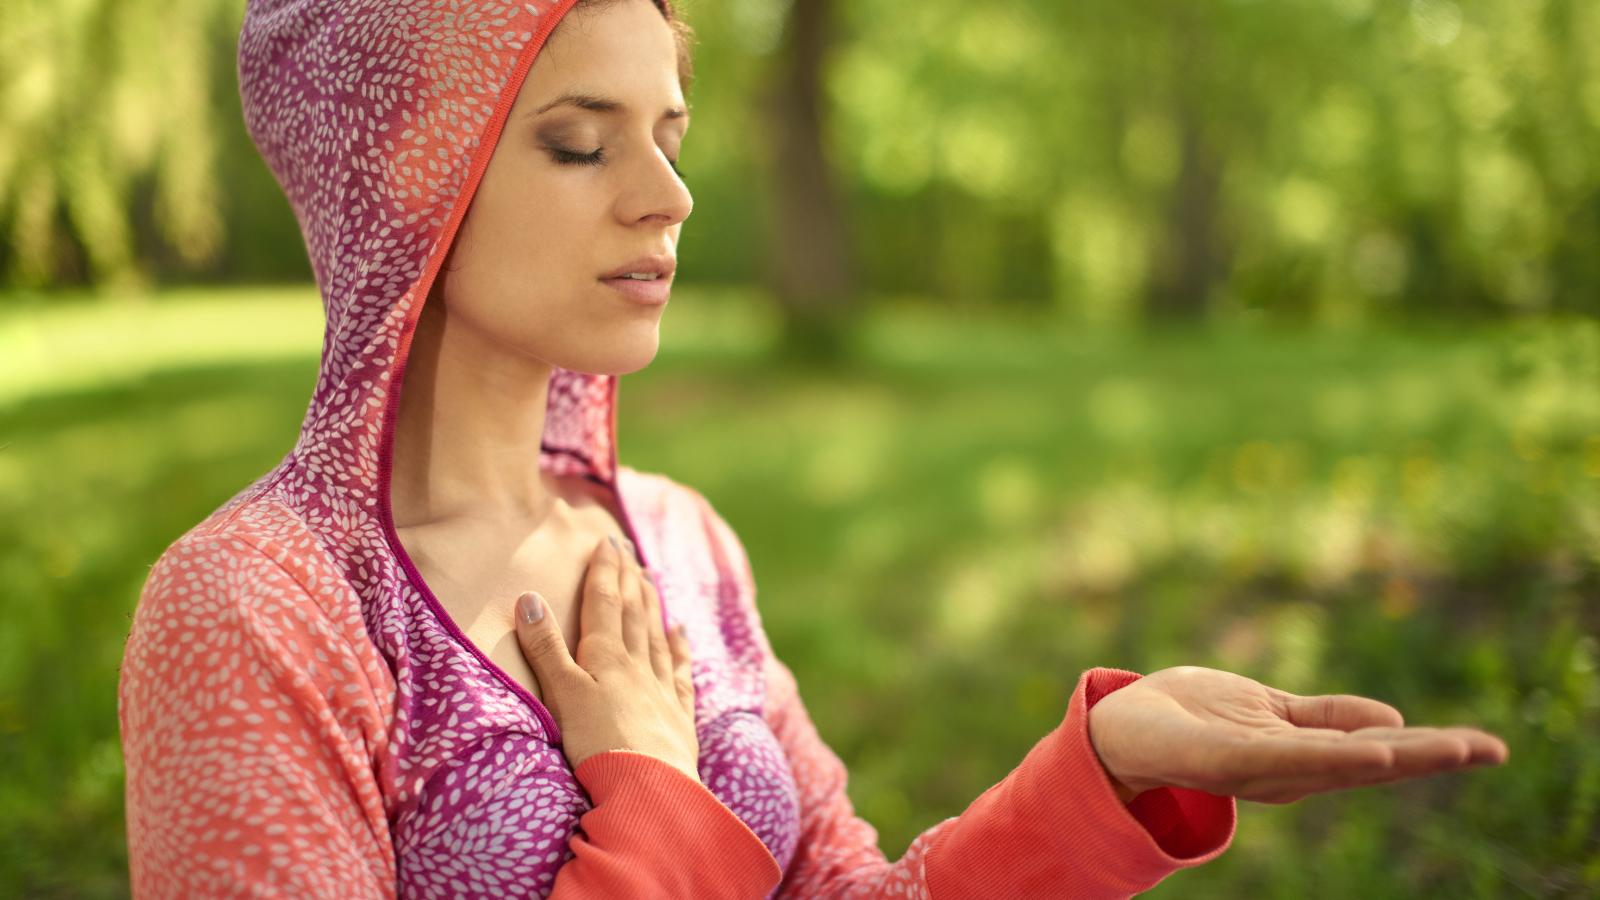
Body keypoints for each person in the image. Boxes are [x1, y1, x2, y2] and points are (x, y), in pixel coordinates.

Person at [117, 0, 1508, 896]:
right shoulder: (254, 614)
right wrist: (650, 800)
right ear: (402, 182)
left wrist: (1103, 774)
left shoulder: (679, 541)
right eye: (578, 144)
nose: (670, 196)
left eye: (667, 133)